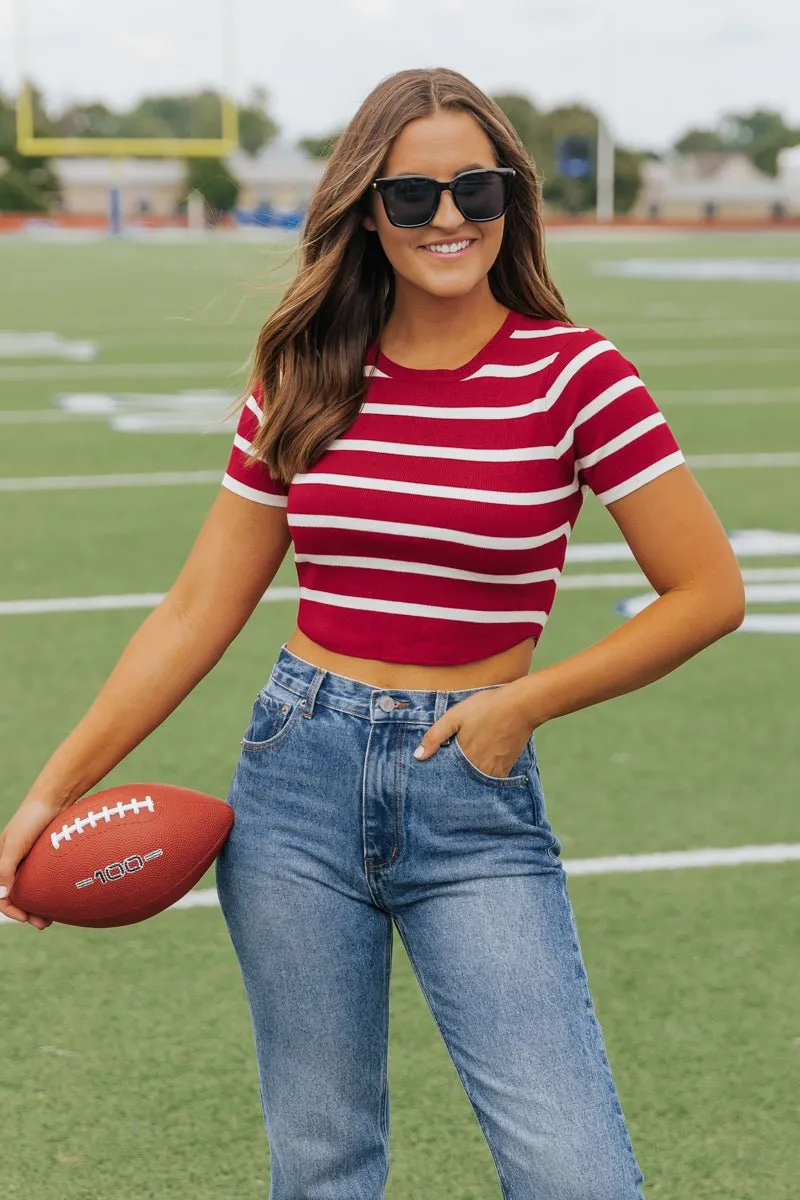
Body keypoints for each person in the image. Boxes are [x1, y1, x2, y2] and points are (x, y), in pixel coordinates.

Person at [0, 67, 745, 1199]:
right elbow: (200, 606)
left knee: (573, 1172)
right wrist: (51, 793)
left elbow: (705, 591)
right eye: (410, 197)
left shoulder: (575, 376)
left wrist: (520, 705)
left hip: (471, 787)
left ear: (510, 199)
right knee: (323, 1164)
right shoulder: (303, 371)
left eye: (474, 189)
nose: (447, 218)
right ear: (364, 209)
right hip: (294, 781)